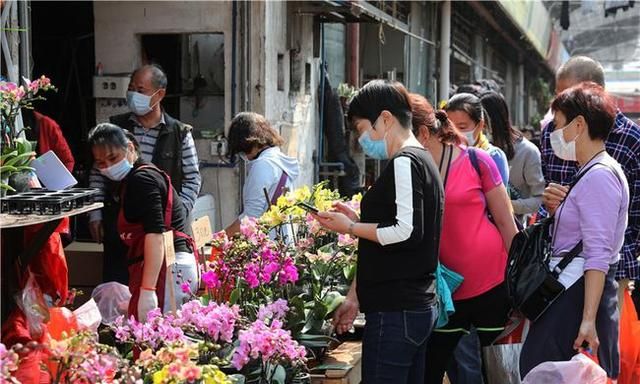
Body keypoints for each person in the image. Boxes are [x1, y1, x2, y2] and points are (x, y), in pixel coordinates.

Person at [315, 80, 443, 383]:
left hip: (397, 311)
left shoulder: (404, 162)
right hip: (414, 307)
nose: (362, 140)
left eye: (362, 130)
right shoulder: (422, 158)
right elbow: (404, 224)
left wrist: (352, 227)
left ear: (385, 118)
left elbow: (406, 231)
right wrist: (358, 218)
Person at [520, 82, 629, 379]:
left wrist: (588, 320)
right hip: (573, 291)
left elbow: (597, 252)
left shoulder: (599, 177)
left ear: (579, 124)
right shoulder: (593, 171)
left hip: (576, 294)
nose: (555, 135)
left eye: (558, 125)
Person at [409, 93, 518, 384]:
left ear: (422, 132)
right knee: (430, 370)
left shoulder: (478, 160)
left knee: (501, 371)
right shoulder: (411, 170)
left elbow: (506, 222)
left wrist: (519, 280)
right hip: (447, 292)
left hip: (493, 282)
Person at [88, 64, 202, 284]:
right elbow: (97, 174)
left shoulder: (179, 133)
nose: (133, 95)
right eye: (131, 88)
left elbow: (192, 178)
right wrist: (96, 214)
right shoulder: (115, 128)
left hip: (162, 226)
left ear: (159, 94)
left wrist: (179, 210)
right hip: (122, 226)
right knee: (118, 286)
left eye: (140, 90)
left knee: (159, 287)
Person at [541, 56, 640, 304]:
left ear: (591, 91)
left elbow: (636, 215)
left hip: (610, 267)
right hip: (557, 265)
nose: (558, 103)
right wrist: (554, 206)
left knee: (599, 336)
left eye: (566, 93)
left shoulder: (630, 139)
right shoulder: (552, 134)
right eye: (557, 94)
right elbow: (548, 190)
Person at [88, 123, 199, 321]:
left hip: (169, 270)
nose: (108, 167)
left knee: (161, 344)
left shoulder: (142, 179)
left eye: (113, 158)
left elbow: (156, 234)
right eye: (101, 163)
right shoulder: (132, 180)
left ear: (130, 148)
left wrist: (148, 291)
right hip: (166, 268)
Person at [224, 112, 299, 236]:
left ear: (247, 142)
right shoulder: (279, 161)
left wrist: (220, 237)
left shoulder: (263, 165)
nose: (242, 154)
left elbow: (251, 217)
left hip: (268, 245)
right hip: (283, 240)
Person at [479, 91, 545, 225]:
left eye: (483, 124)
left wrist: (505, 205)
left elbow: (539, 200)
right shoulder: (475, 150)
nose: (480, 129)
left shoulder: (527, 152)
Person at [446, 92, 510, 186]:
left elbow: (497, 199)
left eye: (462, 127)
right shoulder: (443, 154)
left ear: (480, 125)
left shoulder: (493, 157)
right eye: (450, 127)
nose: (455, 133)